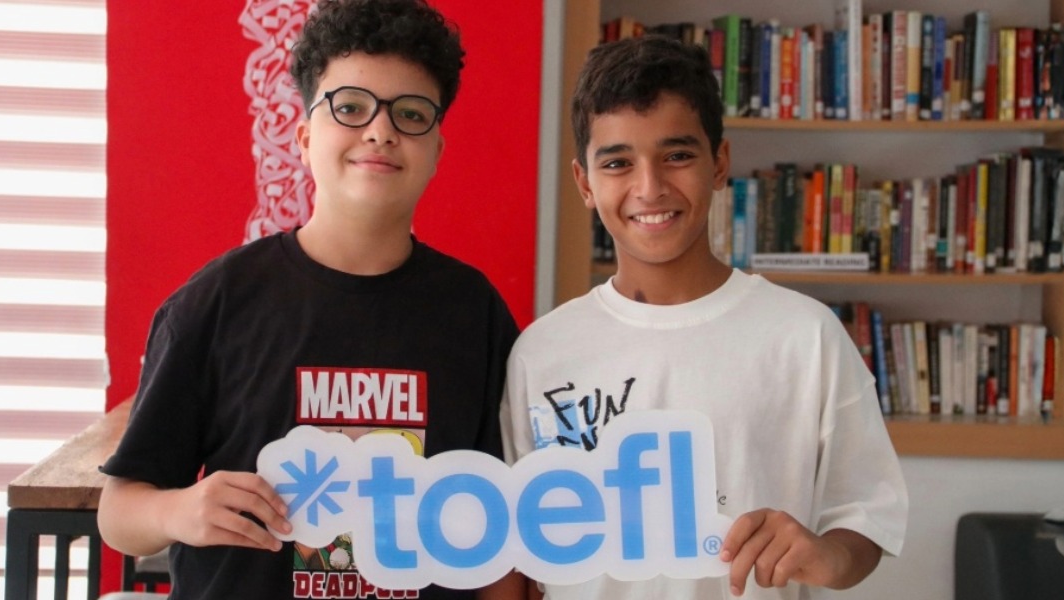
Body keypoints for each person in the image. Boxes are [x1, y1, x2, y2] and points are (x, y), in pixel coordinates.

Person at [97, 1, 522, 598]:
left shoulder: (473, 312)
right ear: (303, 136)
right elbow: (120, 513)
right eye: (350, 107)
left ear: (436, 152)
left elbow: (501, 522)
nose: (381, 131)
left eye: (411, 114)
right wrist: (181, 512)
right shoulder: (214, 305)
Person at [499, 36, 908, 599]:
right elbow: (521, 553)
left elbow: (867, 518)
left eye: (677, 155)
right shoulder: (541, 353)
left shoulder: (804, 335)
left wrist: (826, 554)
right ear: (584, 183)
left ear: (719, 163)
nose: (649, 187)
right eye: (618, 162)